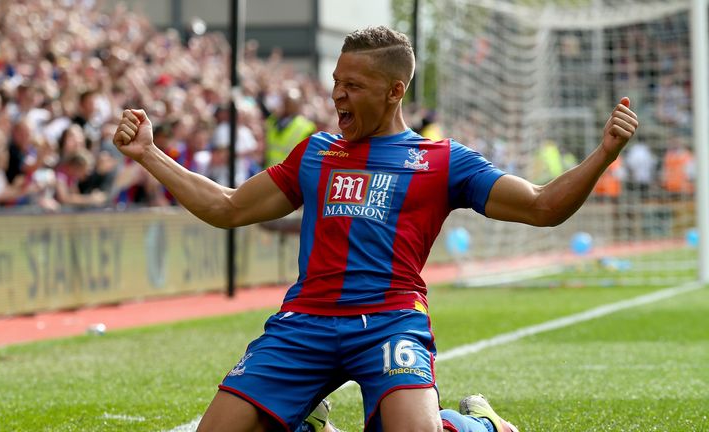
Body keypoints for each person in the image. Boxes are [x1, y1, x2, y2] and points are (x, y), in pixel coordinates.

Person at [113, 26, 638, 432]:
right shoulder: (317, 152)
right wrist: (149, 154)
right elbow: (226, 207)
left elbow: (543, 207)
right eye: (336, 82)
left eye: (353, 86)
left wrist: (604, 154)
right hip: (305, 322)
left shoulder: (443, 161)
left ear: (394, 91)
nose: (337, 95)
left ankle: (477, 422)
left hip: (390, 323)